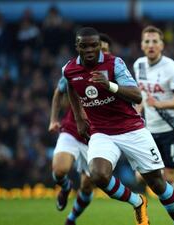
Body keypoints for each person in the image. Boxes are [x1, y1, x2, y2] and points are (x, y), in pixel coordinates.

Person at [63, 27, 174, 225]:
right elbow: (70, 85)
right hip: (101, 132)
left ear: (99, 47)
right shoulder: (70, 69)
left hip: (132, 129)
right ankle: (137, 202)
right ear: (77, 46)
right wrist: (79, 118)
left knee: (158, 183)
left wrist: (109, 85)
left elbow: (137, 95)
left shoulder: (114, 64)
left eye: (94, 45)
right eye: (84, 46)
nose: (89, 50)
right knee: (98, 175)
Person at [48, 33, 114, 225]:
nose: (96, 52)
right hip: (71, 129)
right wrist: (53, 119)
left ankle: (71, 219)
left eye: (102, 49)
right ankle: (66, 186)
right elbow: (59, 92)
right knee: (60, 170)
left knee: (87, 186)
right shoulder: (75, 70)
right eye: (94, 47)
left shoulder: (114, 72)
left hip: (97, 137)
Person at [133, 25, 174, 225]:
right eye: (147, 41)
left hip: (173, 129)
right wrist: (137, 111)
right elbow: (140, 96)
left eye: (154, 41)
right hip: (149, 131)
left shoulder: (171, 67)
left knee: (171, 180)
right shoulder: (138, 65)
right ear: (142, 45)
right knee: (142, 177)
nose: (150, 45)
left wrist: (159, 104)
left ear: (161, 45)